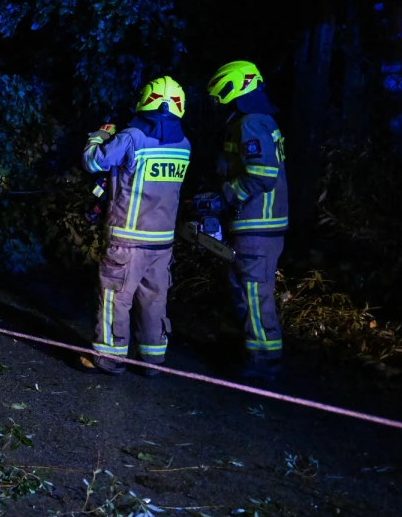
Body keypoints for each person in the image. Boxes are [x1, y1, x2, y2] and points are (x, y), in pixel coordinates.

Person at [80, 76, 190, 375]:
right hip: (162, 242)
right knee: (154, 299)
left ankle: (109, 359)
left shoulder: (130, 137)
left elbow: (94, 162)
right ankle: (153, 361)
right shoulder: (184, 144)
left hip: (127, 240)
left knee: (116, 298)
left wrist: (99, 137)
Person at [206, 60, 288, 380]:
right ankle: (256, 350)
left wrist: (226, 195)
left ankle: (263, 359)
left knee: (253, 290)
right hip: (257, 223)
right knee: (244, 286)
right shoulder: (257, 120)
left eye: (218, 94)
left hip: (259, 223)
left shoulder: (252, 123)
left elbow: (262, 175)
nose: (215, 102)